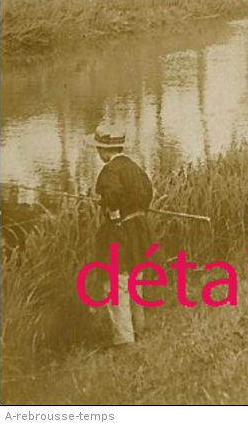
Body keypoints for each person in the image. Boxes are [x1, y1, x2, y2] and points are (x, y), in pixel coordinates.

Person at [88, 125, 154, 347]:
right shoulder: (135, 167)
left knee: (116, 283)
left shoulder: (110, 172)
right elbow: (148, 193)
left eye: (98, 148)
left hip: (120, 232)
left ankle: (125, 341)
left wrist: (113, 214)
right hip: (139, 229)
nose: (98, 153)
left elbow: (113, 196)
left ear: (106, 150)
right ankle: (140, 330)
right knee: (136, 280)